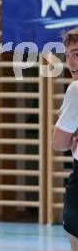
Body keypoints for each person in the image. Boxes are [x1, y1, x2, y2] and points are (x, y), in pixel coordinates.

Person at [53, 27, 78, 251]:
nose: (71, 62)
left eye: (77, 54)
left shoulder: (76, 89)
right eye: (68, 55)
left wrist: (70, 139)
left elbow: (59, 143)